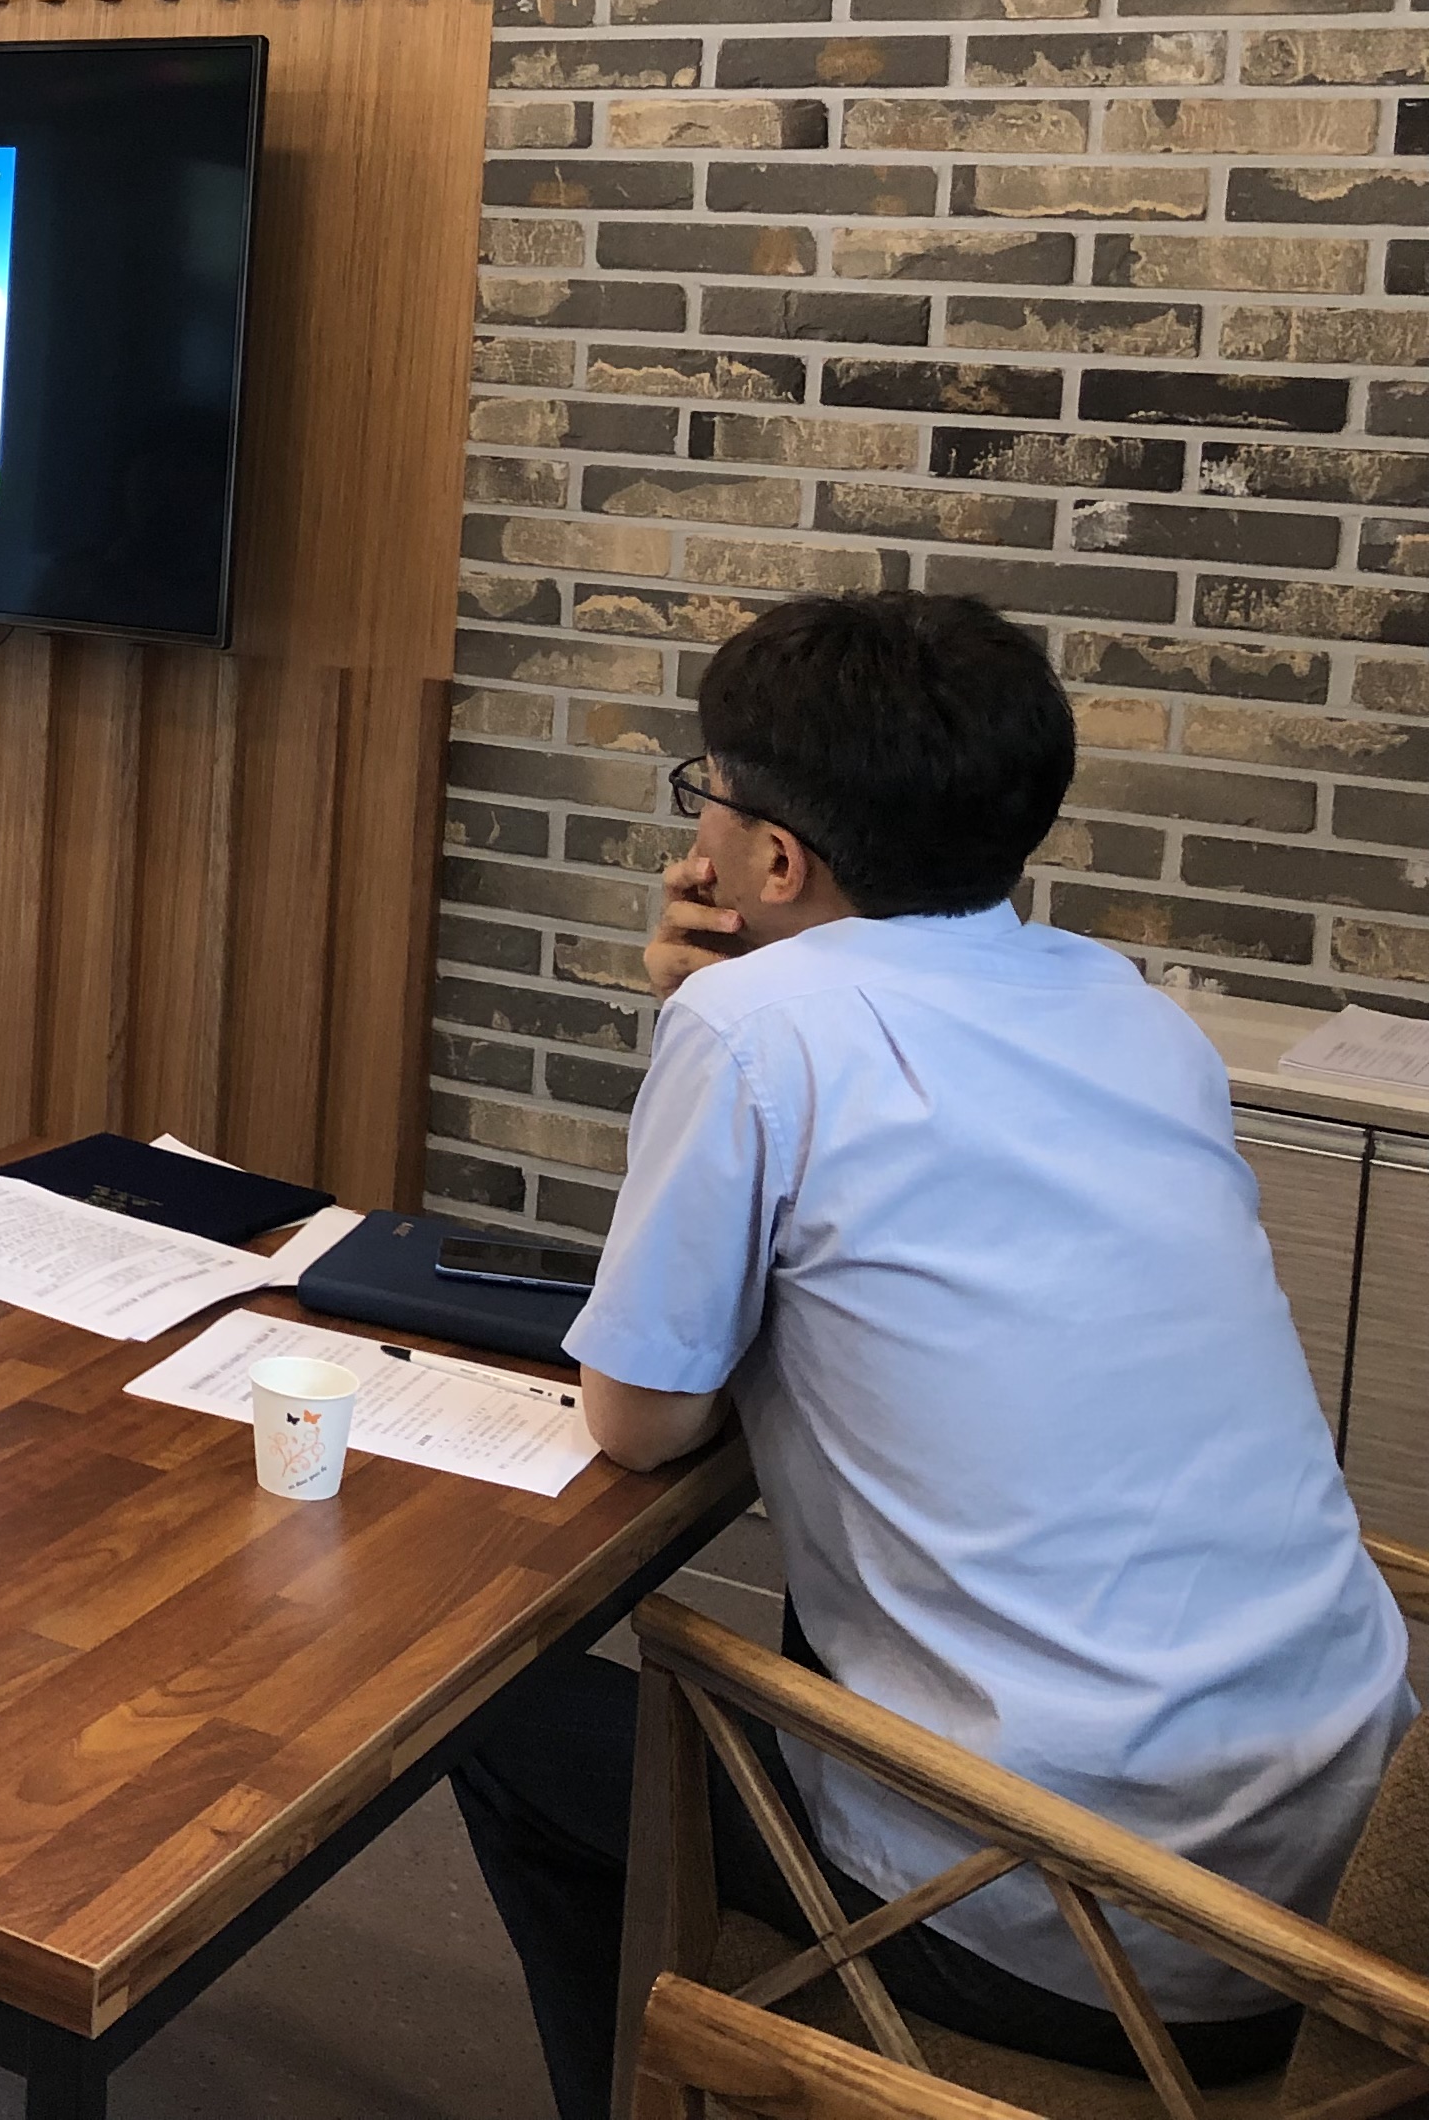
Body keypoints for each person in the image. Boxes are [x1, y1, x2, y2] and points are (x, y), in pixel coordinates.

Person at [452, 591, 1412, 2120]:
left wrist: (720, 1010)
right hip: (1345, 1874)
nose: (696, 836)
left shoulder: (756, 1032)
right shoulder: (1133, 1012)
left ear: (776, 859)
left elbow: (639, 1423)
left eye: (707, 796)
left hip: (1085, 1929)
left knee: (498, 1716)